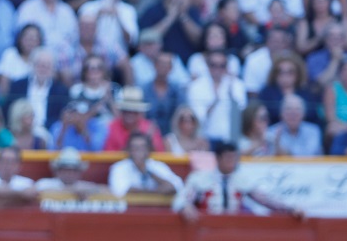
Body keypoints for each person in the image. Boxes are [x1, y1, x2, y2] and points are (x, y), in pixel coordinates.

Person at [174, 140, 303, 221]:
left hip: (233, 231)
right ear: (218, 159)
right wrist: (185, 206)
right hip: (204, 230)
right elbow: (183, 197)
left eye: (234, 157)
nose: (232, 161)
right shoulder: (200, 178)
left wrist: (290, 208)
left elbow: (265, 199)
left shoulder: (241, 180)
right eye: (228, 157)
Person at [107, 131, 181, 198]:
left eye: (142, 148)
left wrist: (149, 173)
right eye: (135, 148)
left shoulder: (158, 166)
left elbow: (176, 186)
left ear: (148, 150)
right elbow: (120, 191)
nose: (138, 152)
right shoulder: (118, 168)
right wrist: (158, 191)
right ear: (128, 150)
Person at [101, 86, 164, 152]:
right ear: (122, 111)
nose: (130, 114)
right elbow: (109, 157)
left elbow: (159, 154)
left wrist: (149, 142)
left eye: (134, 111)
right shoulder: (111, 128)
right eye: (126, 110)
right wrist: (144, 139)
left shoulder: (149, 127)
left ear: (140, 112)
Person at [34, 146, 105, 197]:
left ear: (79, 172)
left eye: (73, 170)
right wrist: (72, 190)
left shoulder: (83, 186)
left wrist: (90, 190)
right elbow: (36, 192)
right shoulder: (45, 183)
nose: (69, 174)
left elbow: (106, 190)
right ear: (58, 171)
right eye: (65, 169)